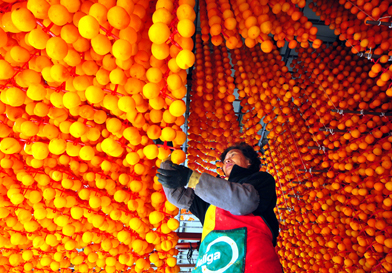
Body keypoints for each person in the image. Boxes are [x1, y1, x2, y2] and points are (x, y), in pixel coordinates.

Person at [156, 142, 282, 273]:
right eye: (225, 159)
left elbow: (244, 202)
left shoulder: (261, 180)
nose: (227, 159)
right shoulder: (210, 198)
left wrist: (191, 179)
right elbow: (178, 196)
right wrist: (167, 159)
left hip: (253, 265)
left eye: (233, 155)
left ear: (249, 161)